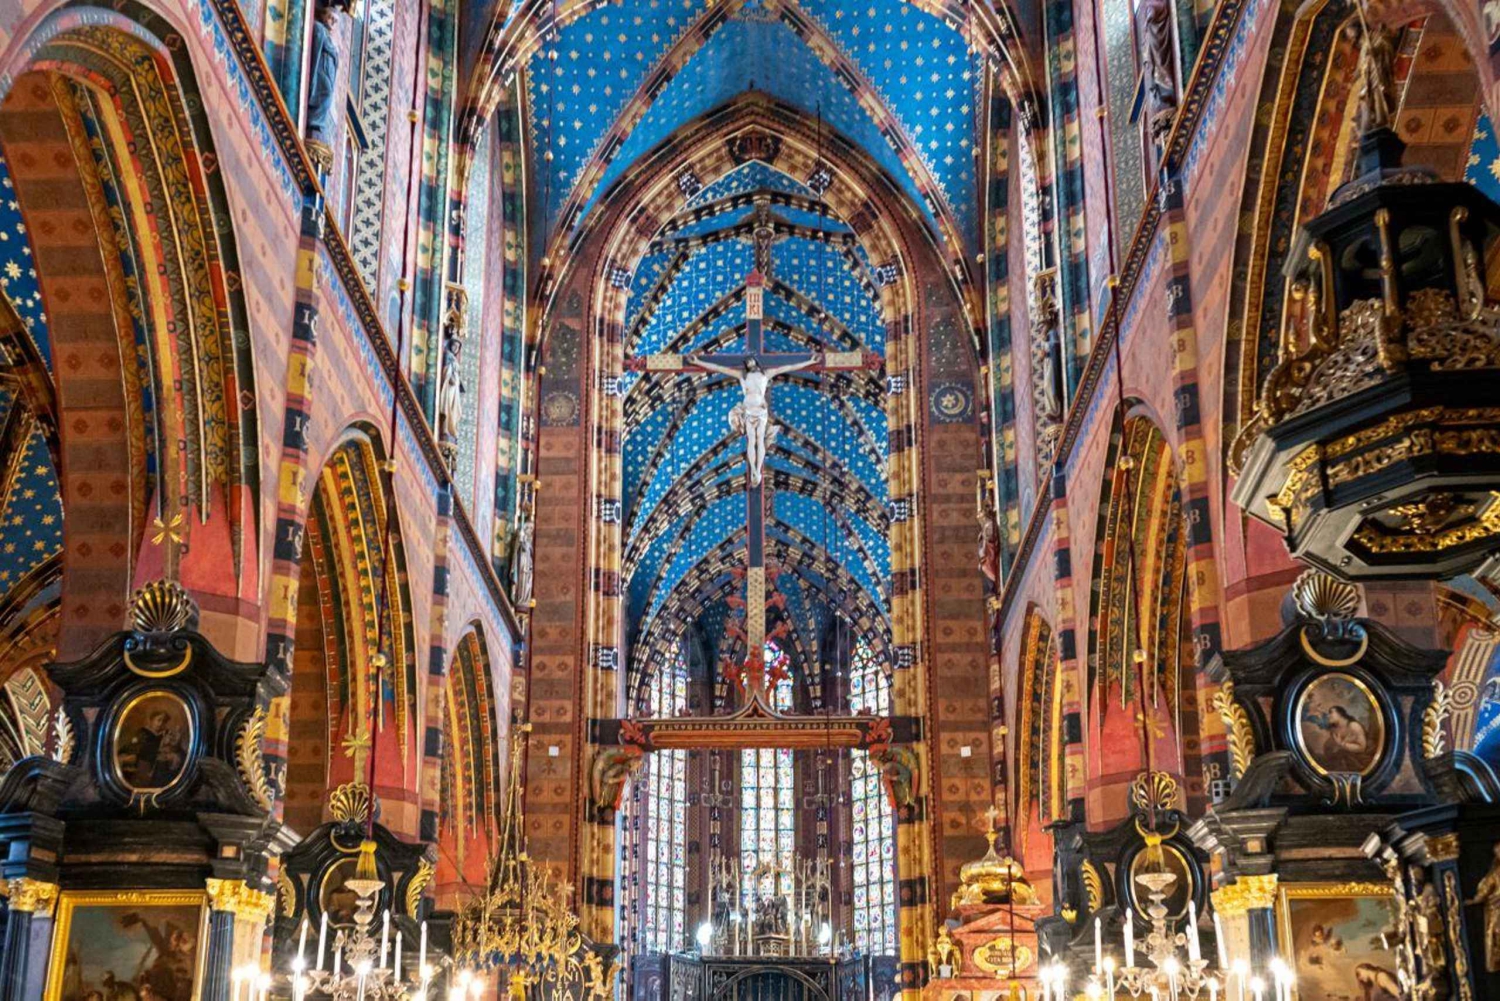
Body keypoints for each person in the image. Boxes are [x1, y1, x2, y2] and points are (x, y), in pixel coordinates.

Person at [688, 353, 820, 486]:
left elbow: (789, 367)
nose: (749, 362)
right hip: (748, 411)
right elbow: (718, 368)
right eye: (747, 362)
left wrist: (810, 361)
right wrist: (698, 361)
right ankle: (754, 470)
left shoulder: (766, 374)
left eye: (751, 360)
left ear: (756, 362)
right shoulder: (742, 376)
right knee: (752, 440)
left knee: (759, 439)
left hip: (761, 411)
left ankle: (758, 469)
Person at [1468, 841, 1500, 971]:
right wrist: (1476, 899)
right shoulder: (1496, 873)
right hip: (1497, 906)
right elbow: (1486, 888)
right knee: (1497, 930)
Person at [1317, 704, 1370, 773]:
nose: (1328, 716)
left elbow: (1362, 747)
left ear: (1340, 714)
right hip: (1340, 761)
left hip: (1357, 761)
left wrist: (1342, 745)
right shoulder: (1334, 729)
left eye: (1331, 712)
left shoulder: (1354, 726)